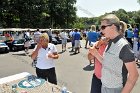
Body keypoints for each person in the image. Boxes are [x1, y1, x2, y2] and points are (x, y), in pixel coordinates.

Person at [89, 14, 139, 93]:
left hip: (114, 89)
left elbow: (134, 75)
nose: (101, 31)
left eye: (103, 27)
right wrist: (96, 54)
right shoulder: (110, 42)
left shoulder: (124, 45)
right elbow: (107, 63)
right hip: (104, 86)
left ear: (112, 26)